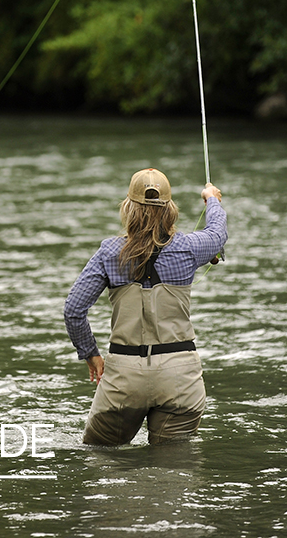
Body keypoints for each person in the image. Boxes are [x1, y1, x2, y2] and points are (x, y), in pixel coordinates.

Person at [63, 167, 226, 446]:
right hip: (180, 379)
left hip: (123, 378)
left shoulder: (109, 252)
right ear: (170, 210)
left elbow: (74, 310)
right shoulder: (189, 247)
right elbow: (217, 234)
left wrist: (90, 354)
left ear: (128, 208)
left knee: (103, 459)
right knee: (174, 471)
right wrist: (212, 199)